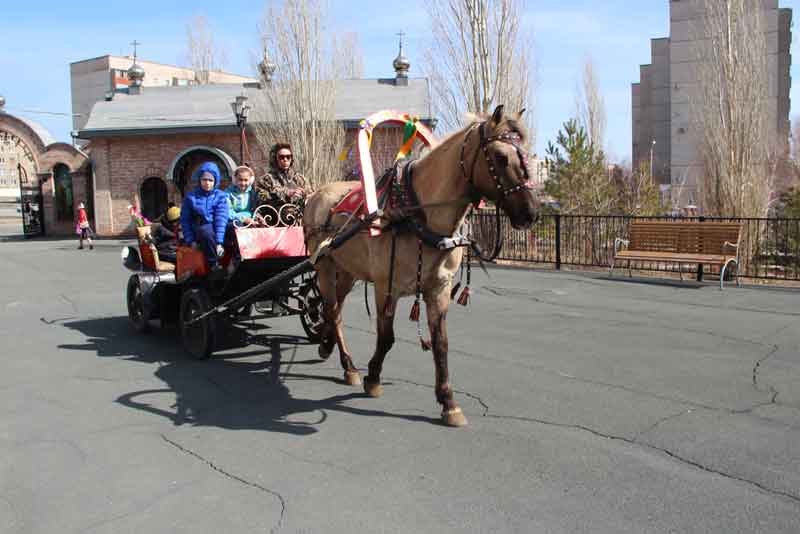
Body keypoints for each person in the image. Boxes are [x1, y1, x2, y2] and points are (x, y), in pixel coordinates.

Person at [179, 162, 229, 270]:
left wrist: (219, 242)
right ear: (199, 180)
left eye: (210, 180)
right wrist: (190, 240)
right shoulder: (191, 197)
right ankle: (213, 264)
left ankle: (236, 261)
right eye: (204, 180)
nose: (207, 183)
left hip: (216, 228)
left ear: (215, 181)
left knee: (233, 228)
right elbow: (185, 220)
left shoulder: (220, 196)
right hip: (199, 228)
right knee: (206, 231)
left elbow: (221, 218)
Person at [253, 143, 309, 212]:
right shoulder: (266, 180)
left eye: (288, 157)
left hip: (300, 218)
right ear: (275, 159)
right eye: (281, 157)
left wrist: (304, 194)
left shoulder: (300, 179)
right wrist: (286, 193)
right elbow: (261, 197)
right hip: (275, 219)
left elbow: (310, 195)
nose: (285, 160)